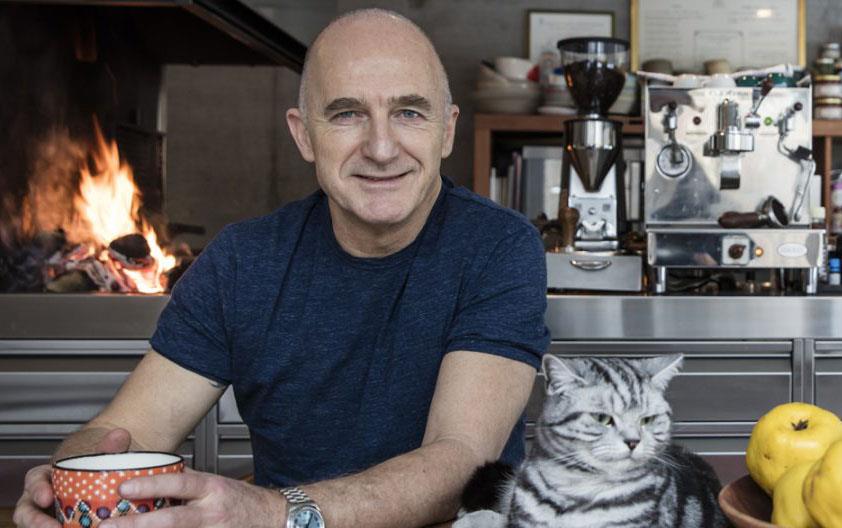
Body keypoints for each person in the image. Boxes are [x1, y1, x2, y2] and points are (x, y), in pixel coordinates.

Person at [13, 8, 549, 528]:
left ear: (447, 131)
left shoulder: (498, 248)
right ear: (303, 135)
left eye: (409, 112)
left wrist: (271, 512)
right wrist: (67, 476)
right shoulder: (244, 261)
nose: (382, 148)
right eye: (347, 114)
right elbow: (124, 431)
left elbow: (459, 463)